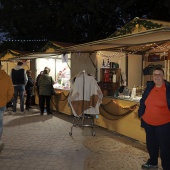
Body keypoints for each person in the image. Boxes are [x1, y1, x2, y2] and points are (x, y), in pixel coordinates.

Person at [138, 66, 170, 170]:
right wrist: (141, 114)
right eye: (155, 75)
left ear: (163, 76)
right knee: (151, 145)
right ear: (153, 77)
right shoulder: (150, 87)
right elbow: (143, 101)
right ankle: (153, 162)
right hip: (148, 123)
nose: (157, 77)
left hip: (163, 125)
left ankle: (167, 166)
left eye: (159, 74)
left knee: (165, 148)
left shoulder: (168, 89)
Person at [0, 61, 14, 153]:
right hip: (1, 103)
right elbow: (10, 91)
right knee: (0, 123)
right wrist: (6, 100)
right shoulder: (6, 76)